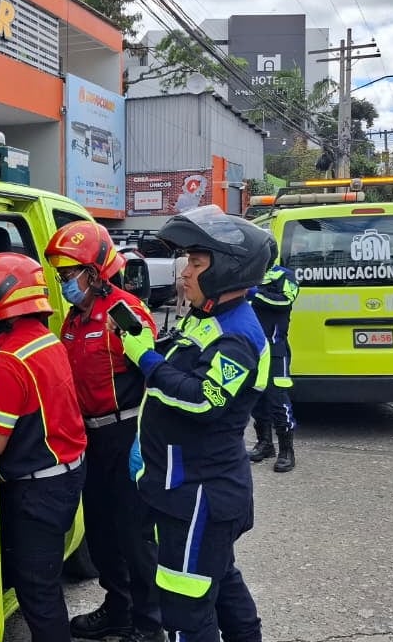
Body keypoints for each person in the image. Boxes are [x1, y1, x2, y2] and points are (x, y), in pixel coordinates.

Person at [117, 205, 273, 642]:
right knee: (220, 583)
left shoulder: (236, 336)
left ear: (226, 270)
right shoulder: (209, 318)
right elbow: (183, 367)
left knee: (185, 608)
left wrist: (144, 358)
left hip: (199, 494)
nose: (184, 273)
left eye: (197, 263)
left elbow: (204, 400)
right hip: (187, 487)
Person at [44, 221, 165, 642]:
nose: (64, 283)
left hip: (126, 435)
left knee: (134, 537)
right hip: (90, 439)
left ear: (94, 273)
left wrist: (144, 441)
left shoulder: (124, 313)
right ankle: (118, 610)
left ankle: (150, 627)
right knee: (101, 533)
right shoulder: (73, 322)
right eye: (60, 276)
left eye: (68, 274)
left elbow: (156, 376)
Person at [0, 252, 88, 642]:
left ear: (0, 303)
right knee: (45, 580)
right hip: (66, 474)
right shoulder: (44, 340)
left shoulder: (5, 362)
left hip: (36, 490)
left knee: (37, 591)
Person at [247, 253, 301, 472]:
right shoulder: (250, 275)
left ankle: (287, 450)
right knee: (256, 396)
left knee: (277, 397)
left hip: (275, 347)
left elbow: (285, 300)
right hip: (252, 347)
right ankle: (264, 443)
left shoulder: (284, 275)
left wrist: (255, 293)